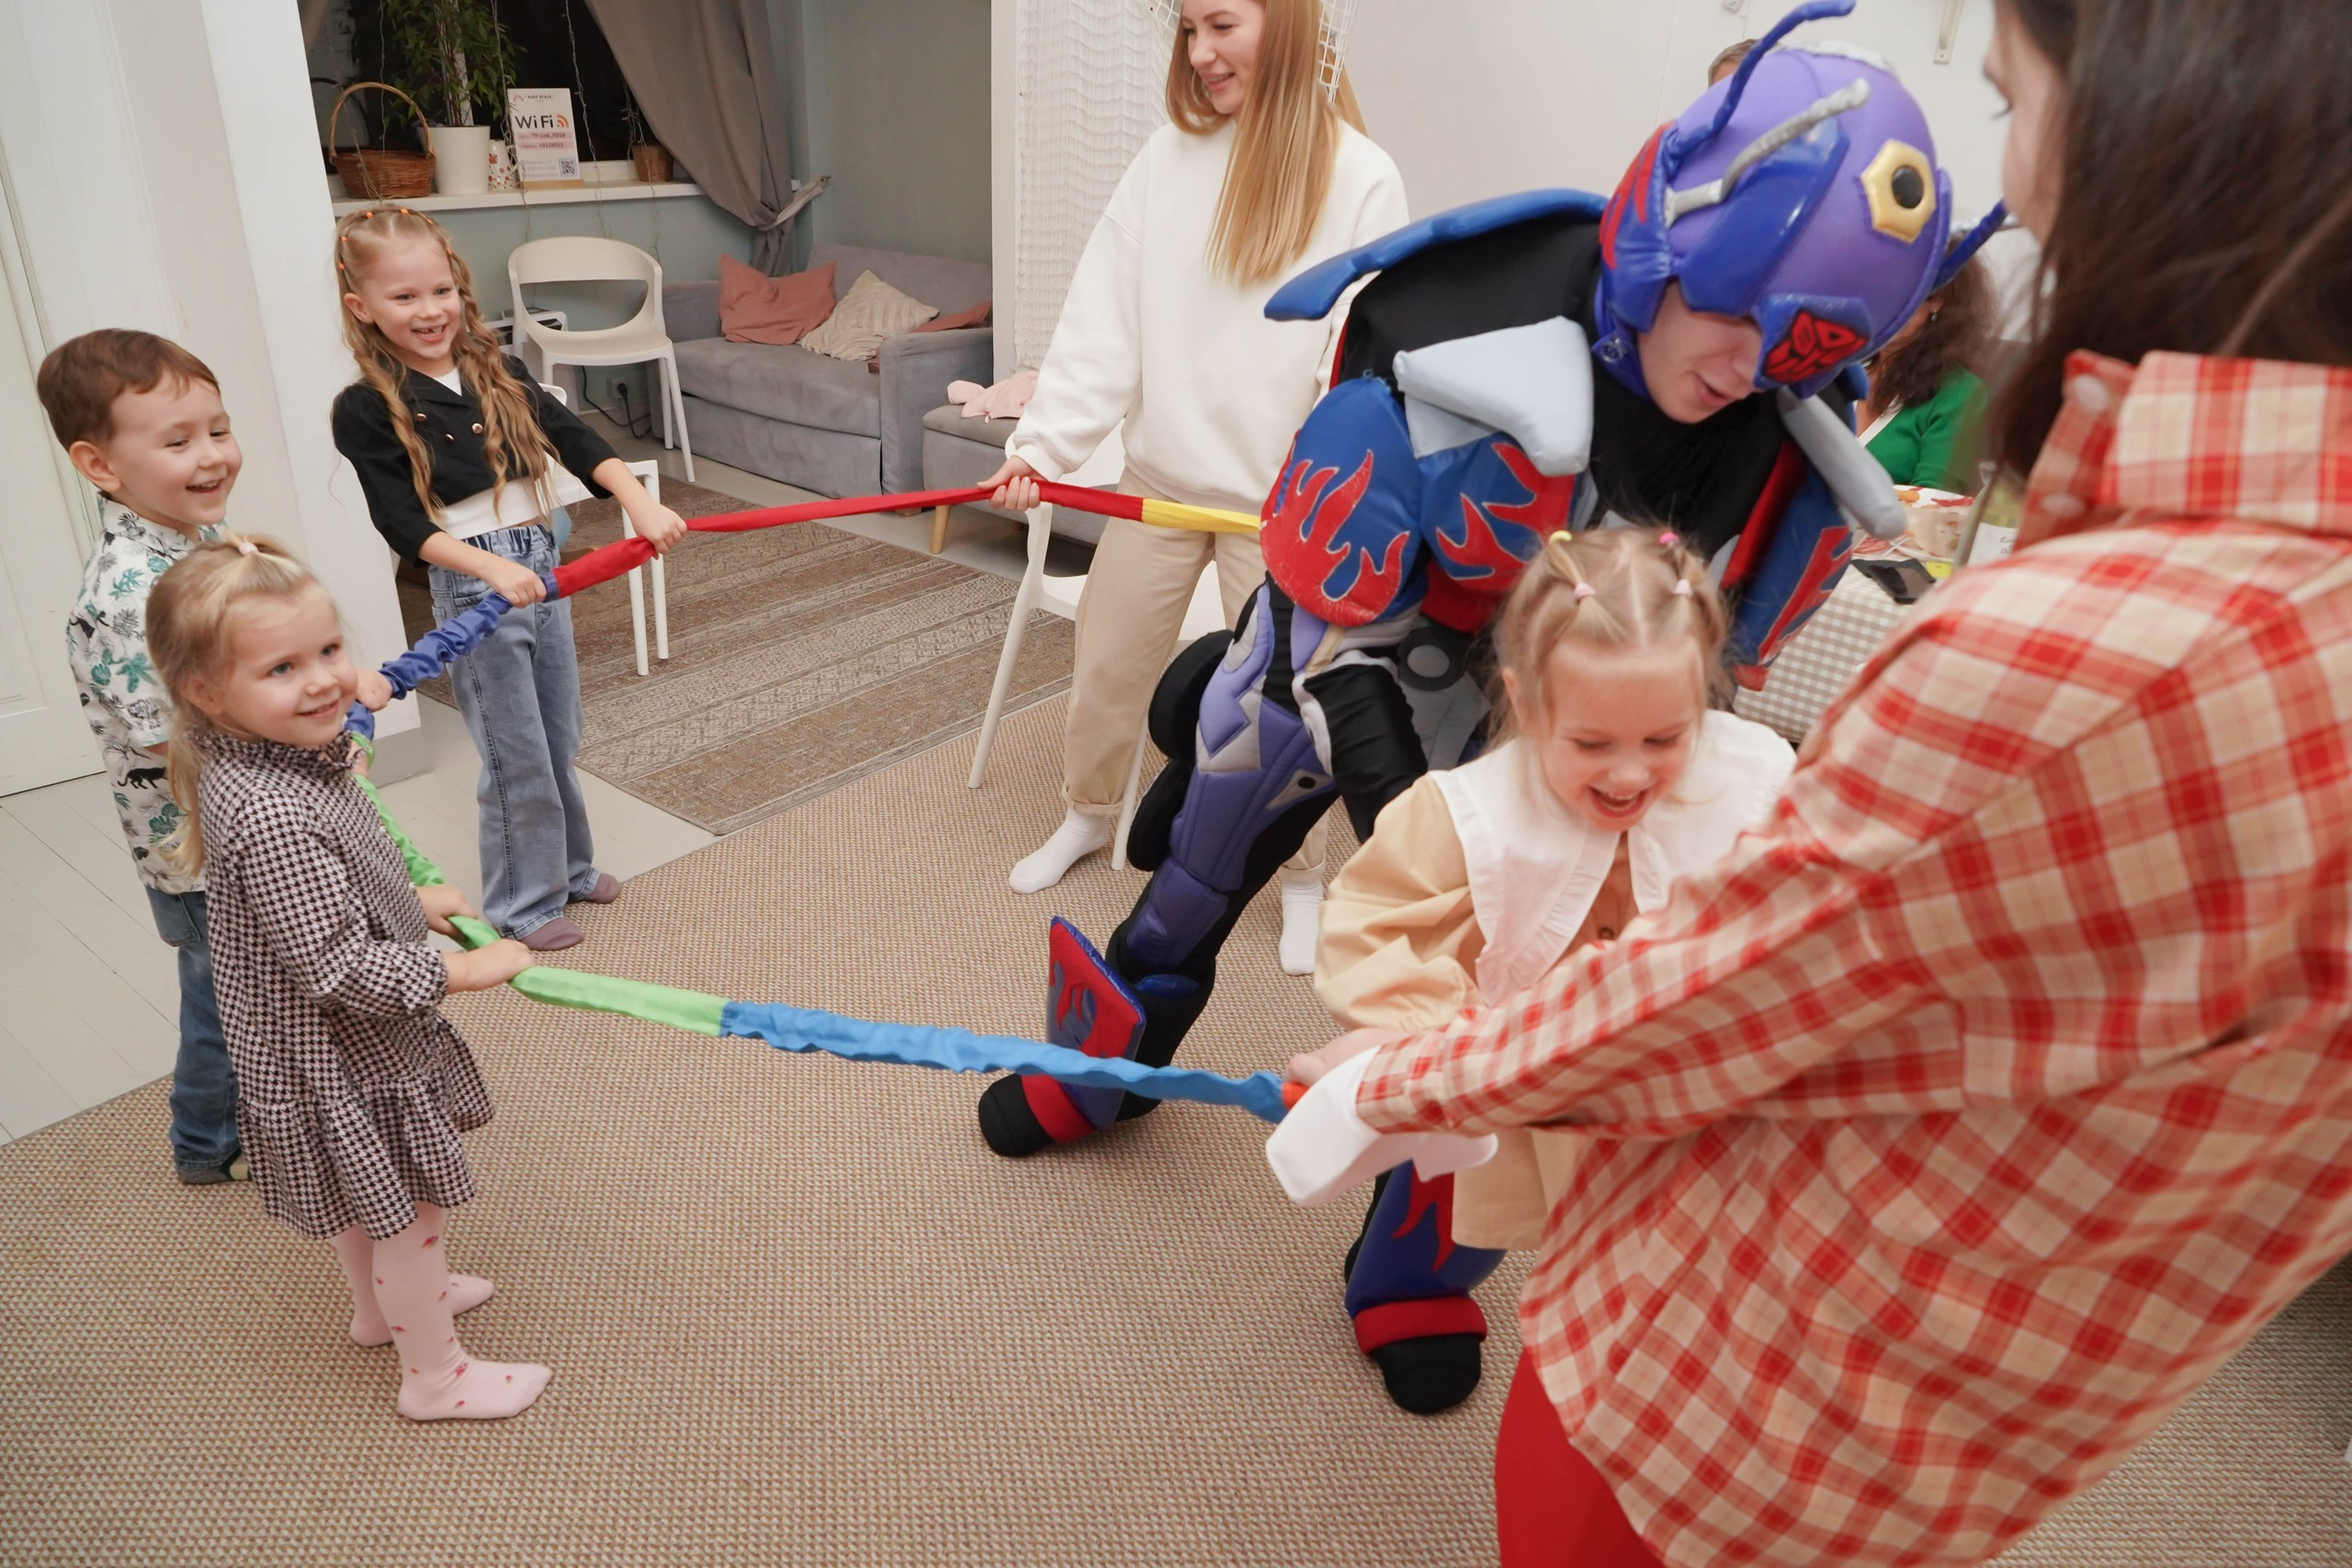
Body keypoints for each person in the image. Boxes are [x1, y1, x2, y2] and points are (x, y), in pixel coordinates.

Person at [1279, 0, 2352, 1561]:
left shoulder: (2084, 651)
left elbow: (1710, 992)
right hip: (1902, 1426)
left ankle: (1408, 1253)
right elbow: (1362, 700)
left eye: (2014, 103)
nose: (2024, 187)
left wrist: (1394, 1083)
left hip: (1719, 1396)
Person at [984, 0, 1996, 1407]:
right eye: (1742, 322)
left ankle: (1412, 1266)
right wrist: (1421, 826)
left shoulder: (1783, 451)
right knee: (1204, 861)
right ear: (1673, 246)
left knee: (1492, 981)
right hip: (1341, 659)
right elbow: (1347, 631)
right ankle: (1097, 1064)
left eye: (1800, 349)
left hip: (1543, 721)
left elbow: (1701, 670)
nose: (1753, 370)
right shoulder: (1467, 346)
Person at [1310, 527, 1792, 1415]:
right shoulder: (1474, 812)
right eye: (1593, 742)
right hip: (1510, 1061)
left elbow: (1798, 905)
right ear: (1528, 705)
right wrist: (1438, 1037)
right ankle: (1410, 1286)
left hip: (1663, 1071)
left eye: (1664, 736)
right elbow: (1374, 917)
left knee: (1660, 1227)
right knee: (1464, 1193)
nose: (1630, 771)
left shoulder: (1755, 781)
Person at [984, 0, 1408, 977]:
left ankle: (1300, 874)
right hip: (1159, 484)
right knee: (1106, 664)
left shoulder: (1361, 175)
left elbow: (1352, 356)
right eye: (1186, 31)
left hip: (1281, 510)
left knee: (1286, 711)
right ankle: (1087, 816)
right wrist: (1041, 447)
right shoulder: (1166, 157)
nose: (1199, 51)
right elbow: (1102, 323)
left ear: (1291, 22)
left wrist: (1312, 486)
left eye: (1219, 23)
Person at [147, 536, 548, 1421]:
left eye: (328, 650)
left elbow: (319, 899)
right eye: (283, 666)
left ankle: (378, 1313)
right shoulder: (274, 808)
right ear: (207, 695)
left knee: (364, 1194)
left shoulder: (279, 760)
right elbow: (334, 964)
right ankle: (435, 1377)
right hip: (341, 1046)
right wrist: (460, 970)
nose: (325, 679)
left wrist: (409, 893)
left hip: (318, 1040)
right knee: (405, 1210)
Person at [38, 330, 385, 1185]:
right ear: (99, 464)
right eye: (177, 441)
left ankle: (290, 1100)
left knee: (260, 983)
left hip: (265, 822)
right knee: (229, 998)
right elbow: (174, 735)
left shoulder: (204, 542)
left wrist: (323, 678)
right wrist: (318, 719)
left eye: (218, 430)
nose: (212, 456)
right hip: (201, 853)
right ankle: (203, 1139)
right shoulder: (124, 594)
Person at [330, 206, 686, 952]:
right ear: (361, 308)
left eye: (440, 291)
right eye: (403, 298)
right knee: (512, 748)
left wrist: (639, 500)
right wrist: (490, 567)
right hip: (473, 585)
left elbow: (579, 441)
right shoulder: (365, 407)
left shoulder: (498, 370)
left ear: (458, 286)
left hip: (541, 567)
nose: (429, 311)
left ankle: (570, 867)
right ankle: (522, 906)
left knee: (559, 733)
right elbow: (403, 525)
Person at [1858, 255, 1993, 491]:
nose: (1885, 304)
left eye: (1900, 290)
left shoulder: (1959, 391)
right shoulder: (1838, 370)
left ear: (1937, 299)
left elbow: (1934, 503)